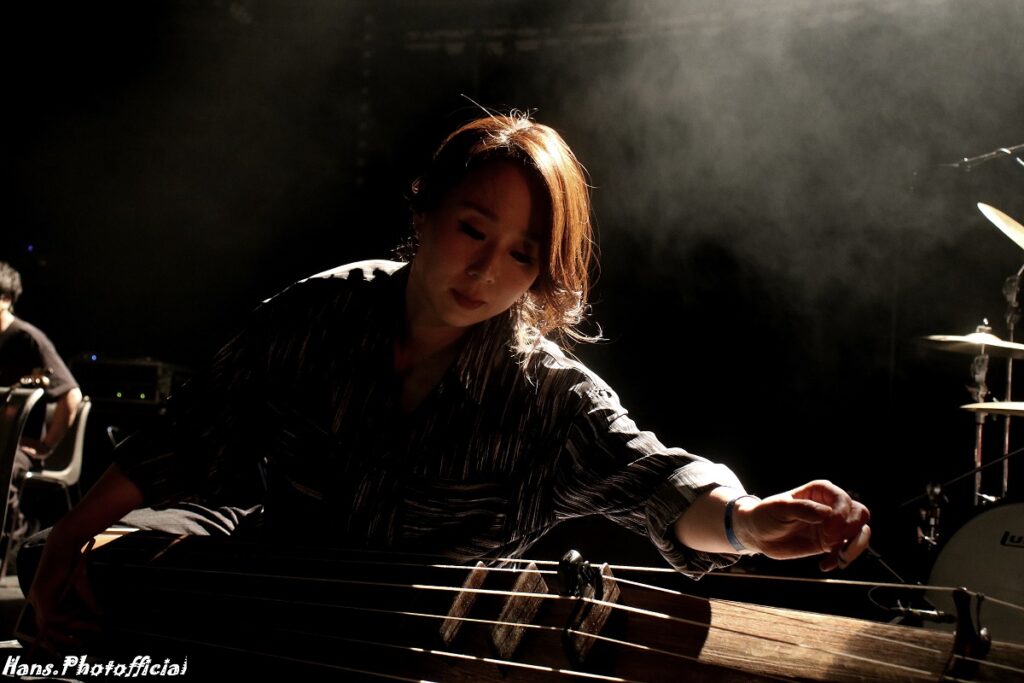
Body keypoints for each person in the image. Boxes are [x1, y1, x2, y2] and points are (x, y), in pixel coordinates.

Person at [23, 114, 870, 651]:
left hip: (425, 643)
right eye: (472, 229)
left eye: (522, 254)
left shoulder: (543, 394)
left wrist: (748, 519)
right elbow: (186, 432)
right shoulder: (319, 313)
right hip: (270, 593)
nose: (486, 270)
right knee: (110, 568)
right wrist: (67, 537)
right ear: (424, 209)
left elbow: (655, 475)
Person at [0, 261, 83, 555]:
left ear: (6, 299)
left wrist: (48, 444)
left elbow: (71, 394)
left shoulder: (28, 338)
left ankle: (16, 543)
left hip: (18, 446)